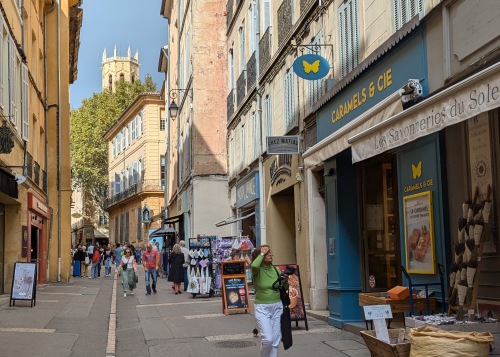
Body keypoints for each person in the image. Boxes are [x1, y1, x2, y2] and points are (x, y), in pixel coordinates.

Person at [251, 245, 287, 357]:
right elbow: (254, 265)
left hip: (277, 306)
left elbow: (282, 288)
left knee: (275, 340)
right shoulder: (257, 271)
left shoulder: (275, 269)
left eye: (270, 252)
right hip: (262, 307)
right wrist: (262, 253)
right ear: (260, 256)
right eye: (266, 253)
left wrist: (285, 282)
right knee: (268, 339)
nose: (270, 254)